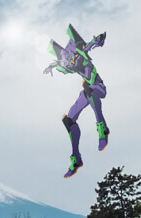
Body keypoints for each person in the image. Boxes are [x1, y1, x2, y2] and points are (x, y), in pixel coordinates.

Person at [44, 24, 108, 178]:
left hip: (98, 87)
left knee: (88, 87)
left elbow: (90, 45)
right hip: (86, 91)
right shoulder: (71, 64)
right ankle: (76, 158)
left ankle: (102, 129)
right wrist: (51, 66)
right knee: (69, 120)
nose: (71, 62)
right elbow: (61, 64)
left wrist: (98, 39)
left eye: (72, 58)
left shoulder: (82, 55)